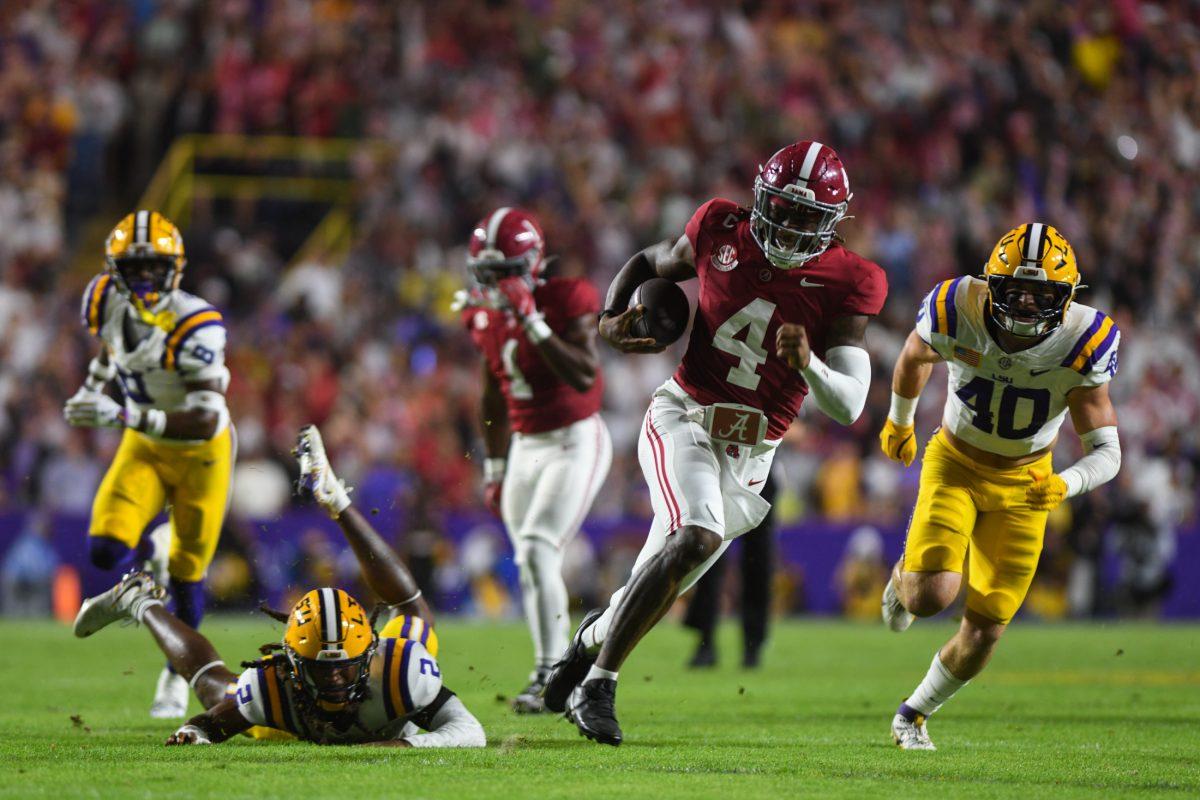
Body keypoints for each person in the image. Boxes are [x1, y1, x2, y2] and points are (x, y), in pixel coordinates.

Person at [543, 140, 888, 745]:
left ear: (833, 222)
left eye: (807, 216)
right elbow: (651, 261)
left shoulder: (849, 280)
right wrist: (610, 316)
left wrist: (808, 364)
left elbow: (851, 404)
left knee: (657, 578)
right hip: (686, 417)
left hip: (754, 456)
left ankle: (585, 644)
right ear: (760, 198)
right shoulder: (719, 227)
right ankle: (598, 687)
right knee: (695, 535)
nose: (788, 223)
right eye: (781, 207)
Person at [73, 426, 485, 748]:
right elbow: (210, 723)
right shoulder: (274, 689)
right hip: (300, 718)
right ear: (293, 666)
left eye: (343, 667)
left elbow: (470, 732)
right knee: (216, 686)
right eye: (322, 670)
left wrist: (399, 744)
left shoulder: (400, 672)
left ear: (370, 652)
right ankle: (139, 600)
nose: (336, 682)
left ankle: (336, 499)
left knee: (413, 614)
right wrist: (194, 734)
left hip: (383, 692)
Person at [878, 223, 1121, 750]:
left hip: (1026, 483)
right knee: (929, 595)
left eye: (1043, 294)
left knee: (987, 627)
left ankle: (913, 714)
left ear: (1066, 298)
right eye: (1017, 290)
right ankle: (904, 579)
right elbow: (914, 355)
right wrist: (900, 420)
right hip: (956, 463)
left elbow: (1109, 453)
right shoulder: (956, 306)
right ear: (991, 285)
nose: (1029, 304)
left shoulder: (1085, 339)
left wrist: (1067, 484)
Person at [64, 210, 233, 718]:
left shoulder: (196, 322)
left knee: (187, 575)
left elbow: (204, 419)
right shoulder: (102, 301)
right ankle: (144, 568)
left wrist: (119, 412)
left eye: (153, 268)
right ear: (114, 270)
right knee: (103, 548)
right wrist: (92, 387)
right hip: (144, 445)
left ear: (175, 269)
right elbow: (111, 350)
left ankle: (173, 677)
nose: (142, 279)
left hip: (202, 454)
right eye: (133, 268)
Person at [460, 208, 611, 712]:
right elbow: (491, 395)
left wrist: (532, 320)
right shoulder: (485, 317)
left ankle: (555, 674)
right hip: (525, 445)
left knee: (540, 547)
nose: (494, 286)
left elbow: (585, 375)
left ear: (530, 265)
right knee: (527, 559)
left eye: (503, 273)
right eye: (486, 274)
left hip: (573, 439)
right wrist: (495, 466)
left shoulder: (565, 299)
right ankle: (547, 666)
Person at [682, 475, 775, 668]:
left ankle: (752, 645)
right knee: (708, 555)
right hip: (722, 470)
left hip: (758, 472)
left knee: (757, 562)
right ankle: (705, 641)